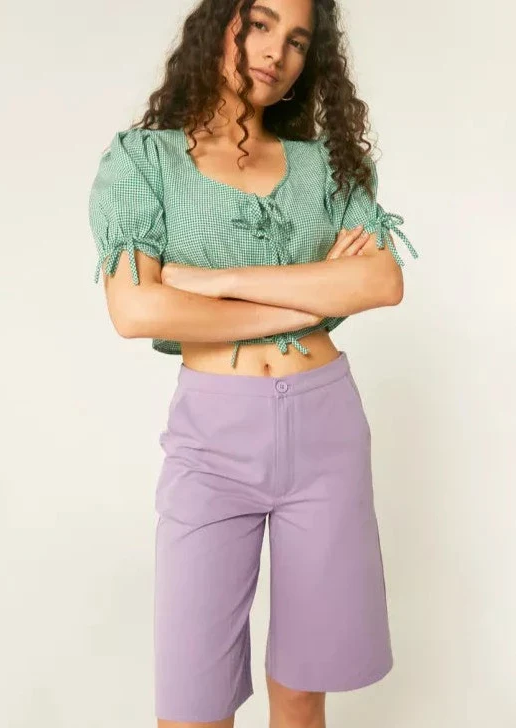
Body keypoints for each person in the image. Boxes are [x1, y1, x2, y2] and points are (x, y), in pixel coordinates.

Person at [87, 0, 419, 726]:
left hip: (326, 432)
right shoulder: (143, 160)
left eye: (298, 40)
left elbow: (380, 281)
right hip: (212, 441)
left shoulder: (327, 166)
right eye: (261, 24)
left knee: (302, 690)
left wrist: (214, 282)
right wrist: (307, 303)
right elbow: (136, 309)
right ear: (220, 24)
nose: (277, 51)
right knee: (192, 703)